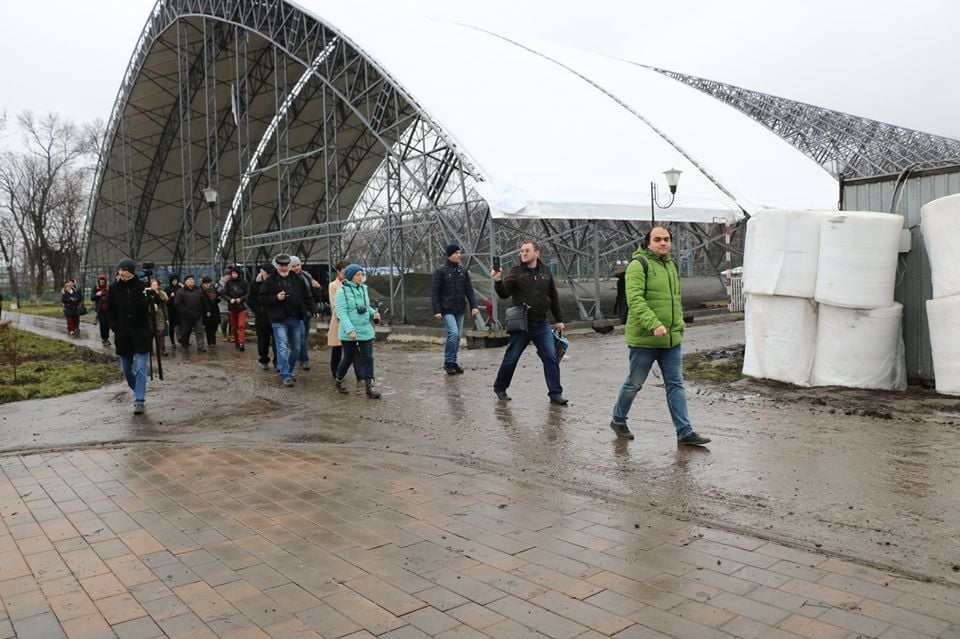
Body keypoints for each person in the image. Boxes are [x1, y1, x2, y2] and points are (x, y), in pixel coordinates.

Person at [609, 226, 711, 445]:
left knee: (675, 384)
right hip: (646, 339)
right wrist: (653, 323)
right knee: (634, 383)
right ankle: (618, 419)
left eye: (666, 239)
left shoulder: (671, 265)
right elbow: (635, 300)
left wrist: (679, 325)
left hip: (671, 339)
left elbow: (675, 299)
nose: (663, 243)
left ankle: (684, 432)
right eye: (658, 239)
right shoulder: (638, 265)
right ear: (648, 242)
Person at [491, 240, 567, 405]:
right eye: (522, 251)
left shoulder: (546, 272)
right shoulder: (516, 272)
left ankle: (555, 393)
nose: (523, 253)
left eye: (527, 250)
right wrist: (498, 280)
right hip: (522, 325)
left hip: (541, 324)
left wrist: (559, 319)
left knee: (550, 357)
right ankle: (500, 388)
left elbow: (553, 297)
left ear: (537, 253)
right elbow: (504, 294)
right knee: (511, 358)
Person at [108, 258, 155, 414]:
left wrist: (150, 299)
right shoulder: (114, 288)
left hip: (140, 332)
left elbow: (149, 309)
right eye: (119, 269)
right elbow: (110, 310)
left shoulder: (143, 287)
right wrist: (114, 326)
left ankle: (139, 400)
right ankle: (137, 389)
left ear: (131, 271)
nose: (121, 273)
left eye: (124, 270)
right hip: (123, 334)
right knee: (126, 368)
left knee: (141, 367)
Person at [259, 254, 312, 386]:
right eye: (281, 266)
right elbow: (262, 298)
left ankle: (288, 369)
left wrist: (312, 309)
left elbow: (307, 295)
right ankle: (285, 375)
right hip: (279, 319)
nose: (284, 268)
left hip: (295, 317)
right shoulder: (270, 281)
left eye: (286, 265)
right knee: (282, 347)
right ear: (277, 266)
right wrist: (276, 297)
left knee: (296, 348)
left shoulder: (297, 279)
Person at [334, 264, 381, 398]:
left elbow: (365, 307)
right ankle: (338, 380)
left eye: (361, 274)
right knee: (348, 358)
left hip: (365, 329)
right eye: (357, 275)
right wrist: (350, 330)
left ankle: (370, 387)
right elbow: (341, 312)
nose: (361, 277)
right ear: (350, 277)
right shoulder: (341, 291)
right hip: (349, 332)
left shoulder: (364, 288)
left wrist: (373, 314)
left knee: (368, 358)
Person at [431, 243, 479, 375]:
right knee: (453, 333)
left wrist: (474, 306)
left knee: (457, 337)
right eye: (456, 253)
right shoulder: (440, 272)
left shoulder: (463, 271)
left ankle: (453, 362)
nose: (459, 255)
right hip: (447, 309)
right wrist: (437, 310)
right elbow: (435, 292)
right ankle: (448, 362)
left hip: (459, 308)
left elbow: (469, 290)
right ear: (449, 255)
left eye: (459, 252)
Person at [327, 260, 360, 381]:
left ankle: (360, 374)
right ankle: (335, 372)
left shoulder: (354, 284)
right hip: (339, 321)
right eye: (343, 272)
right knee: (337, 348)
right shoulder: (333, 286)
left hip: (354, 321)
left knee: (355, 348)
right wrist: (343, 318)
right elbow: (334, 305)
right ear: (338, 272)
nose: (345, 275)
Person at [290, 256, 320, 370]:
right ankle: (304, 359)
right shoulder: (289, 279)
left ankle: (300, 358)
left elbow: (311, 295)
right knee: (301, 336)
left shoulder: (306, 276)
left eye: (298, 265)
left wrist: (314, 309)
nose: (297, 267)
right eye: (294, 266)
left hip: (307, 310)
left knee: (305, 336)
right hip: (297, 312)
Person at [248, 264, 277, 370]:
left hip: (275, 315)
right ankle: (263, 359)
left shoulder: (275, 283)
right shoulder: (255, 284)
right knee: (263, 340)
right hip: (261, 317)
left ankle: (277, 361)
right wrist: (258, 310)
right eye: (266, 274)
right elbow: (250, 299)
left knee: (276, 340)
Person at [174, 274, 206, 352]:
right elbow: (178, 303)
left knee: (199, 331)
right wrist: (184, 311)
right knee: (186, 331)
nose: (192, 281)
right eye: (189, 280)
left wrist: (205, 310)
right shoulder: (181, 292)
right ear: (185, 282)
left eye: (192, 280)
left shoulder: (198, 290)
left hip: (198, 314)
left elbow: (203, 301)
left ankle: (201, 346)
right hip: (186, 316)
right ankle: (184, 343)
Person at [222, 266, 249, 351]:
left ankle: (241, 342)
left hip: (241, 307)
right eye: (232, 273)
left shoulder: (244, 282)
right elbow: (224, 294)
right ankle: (237, 340)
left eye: (235, 273)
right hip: (232, 307)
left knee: (241, 325)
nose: (234, 275)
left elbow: (247, 293)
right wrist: (230, 300)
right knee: (234, 327)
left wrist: (240, 299)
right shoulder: (228, 283)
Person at [148, 277, 169, 355]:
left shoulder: (162, 294)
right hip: (151, 316)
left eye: (156, 284)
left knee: (160, 333)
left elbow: (165, 307)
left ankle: (162, 349)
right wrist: (151, 307)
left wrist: (167, 318)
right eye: (153, 285)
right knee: (151, 334)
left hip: (160, 316)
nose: (155, 286)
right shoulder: (148, 294)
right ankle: (150, 350)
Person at [200, 275, 221, 347]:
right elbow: (204, 301)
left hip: (214, 309)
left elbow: (217, 298)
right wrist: (207, 310)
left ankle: (213, 340)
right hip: (206, 311)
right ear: (203, 284)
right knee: (208, 327)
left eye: (209, 283)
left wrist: (218, 298)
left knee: (215, 325)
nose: (208, 285)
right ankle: (210, 342)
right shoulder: (201, 291)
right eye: (206, 283)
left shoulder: (213, 289)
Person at [91, 274, 111, 346]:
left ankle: (107, 338)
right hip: (100, 310)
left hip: (108, 309)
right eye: (100, 282)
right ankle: (103, 339)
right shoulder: (96, 288)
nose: (102, 283)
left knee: (107, 324)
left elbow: (112, 297)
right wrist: (97, 295)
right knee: (102, 324)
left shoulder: (108, 288)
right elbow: (92, 297)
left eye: (103, 282)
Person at [164, 275, 182, 351]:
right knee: (171, 327)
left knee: (181, 325)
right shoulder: (167, 289)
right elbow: (165, 302)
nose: (175, 282)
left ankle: (181, 338)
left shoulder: (180, 288)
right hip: (171, 311)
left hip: (179, 310)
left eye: (176, 280)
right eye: (173, 281)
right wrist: (170, 297)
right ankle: (172, 342)